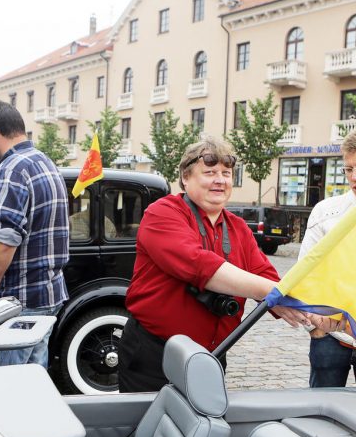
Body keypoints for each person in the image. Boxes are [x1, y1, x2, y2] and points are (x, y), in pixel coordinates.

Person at [118, 137, 317, 393]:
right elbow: (199, 265)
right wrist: (272, 293)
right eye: (209, 172)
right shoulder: (163, 212)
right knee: (146, 430)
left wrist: (312, 310)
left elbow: (267, 277)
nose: (220, 180)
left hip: (212, 357)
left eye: (226, 173)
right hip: (154, 355)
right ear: (186, 178)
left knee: (203, 430)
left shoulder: (239, 229)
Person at [0, 101, 70, 368]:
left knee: (2, 383)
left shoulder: (12, 169)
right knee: (32, 380)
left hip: (19, 301)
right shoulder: (45, 162)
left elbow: (5, 239)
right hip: (45, 295)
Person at [299, 127, 356, 389]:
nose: (354, 177)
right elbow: (303, 274)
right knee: (320, 415)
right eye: (348, 169)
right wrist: (315, 328)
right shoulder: (326, 212)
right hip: (329, 337)